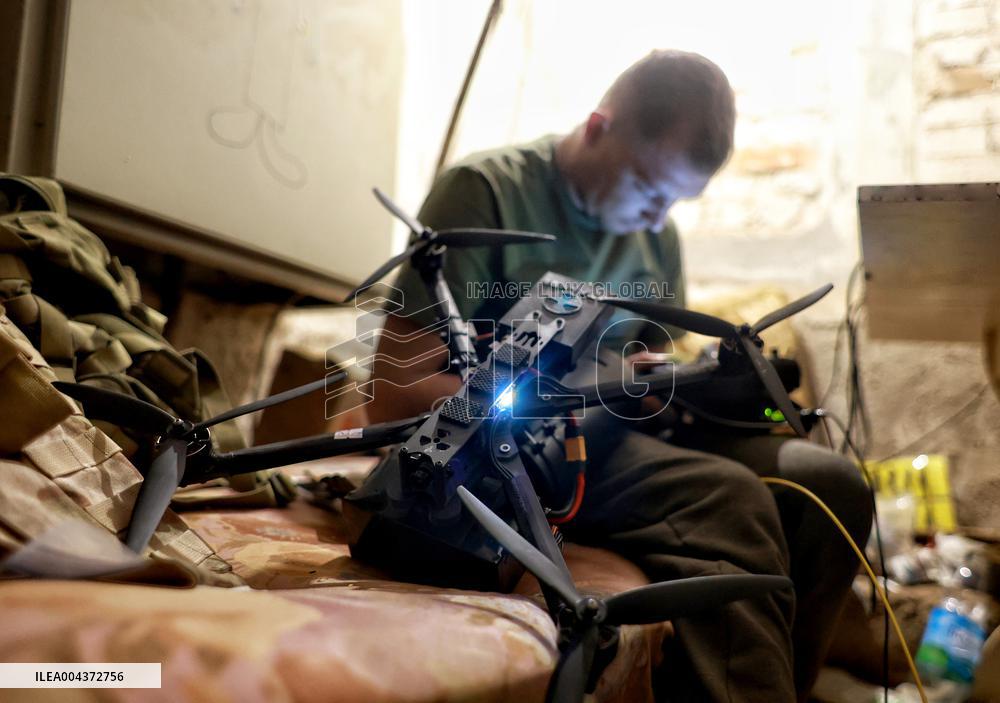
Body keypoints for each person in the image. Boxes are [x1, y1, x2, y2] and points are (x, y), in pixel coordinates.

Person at [366, 49, 872, 703]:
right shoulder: (485, 190)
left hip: (630, 423)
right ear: (598, 126)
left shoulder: (656, 234)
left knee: (829, 487)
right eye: (650, 188)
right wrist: (587, 380)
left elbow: (657, 359)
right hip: (525, 444)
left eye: (676, 202)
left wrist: (681, 376)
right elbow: (390, 398)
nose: (659, 220)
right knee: (729, 502)